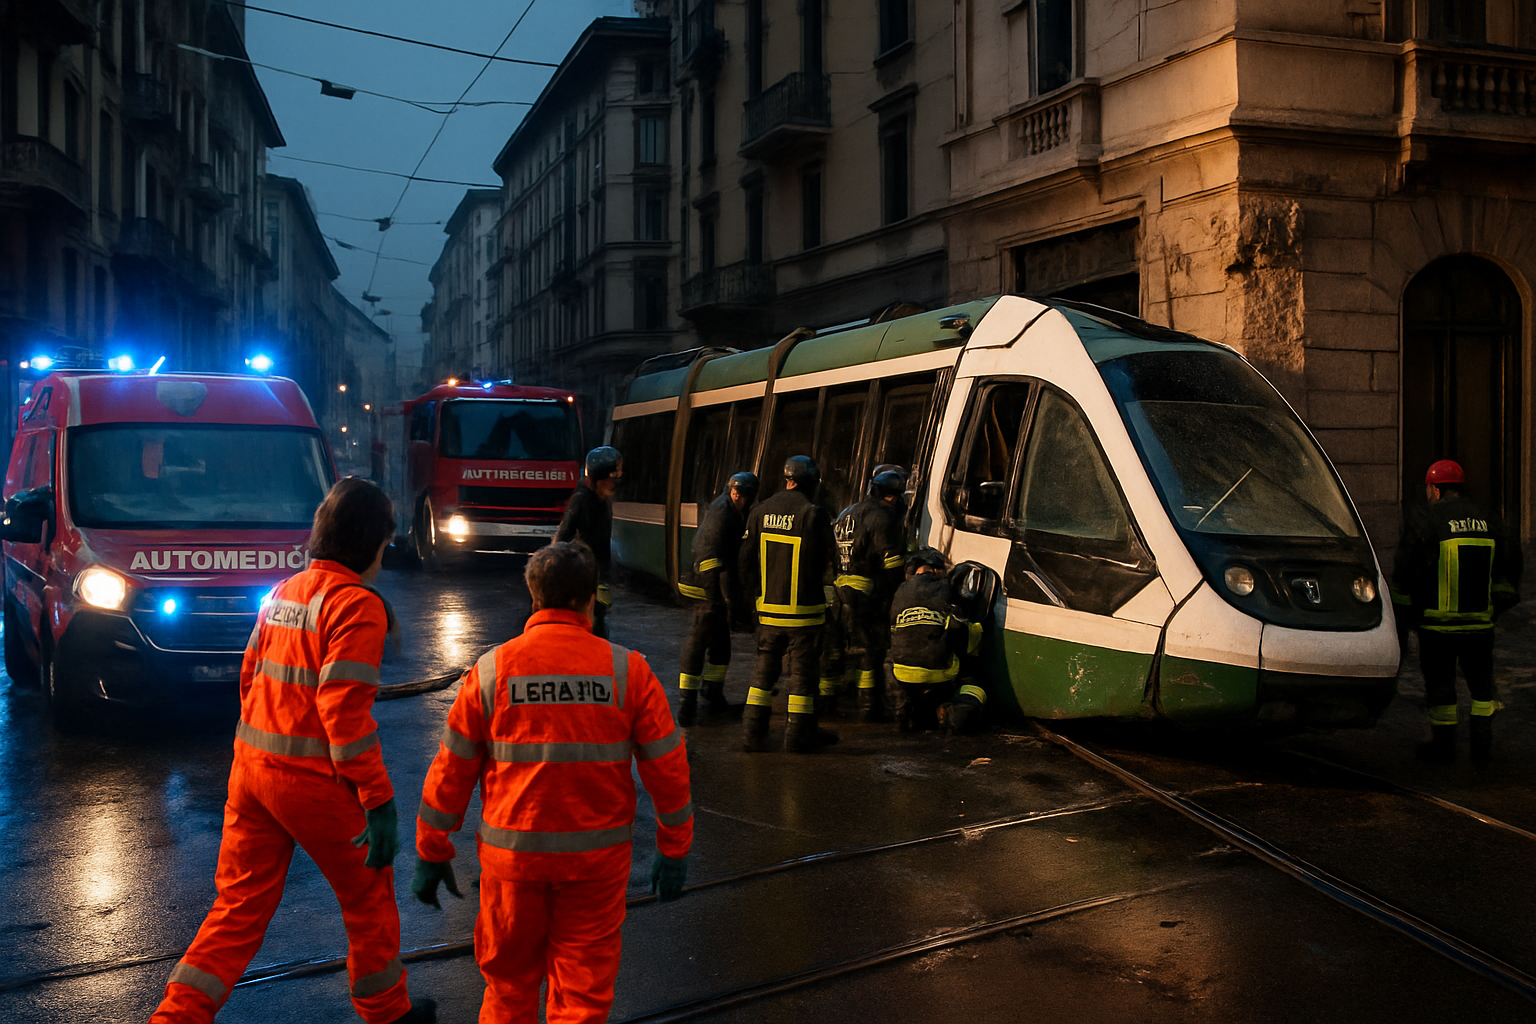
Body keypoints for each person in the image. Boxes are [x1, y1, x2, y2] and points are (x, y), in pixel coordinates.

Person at [151, 478, 435, 1024]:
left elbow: (249, 679)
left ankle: (175, 1017)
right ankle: (388, 1013)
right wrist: (378, 801)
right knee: (369, 897)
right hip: (312, 783)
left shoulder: (284, 592)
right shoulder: (356, 605)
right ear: (373, 541)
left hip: (252, 772)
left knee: (237, 909)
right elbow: (344, 717)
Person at [411, 541, 693, 1023]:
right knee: (582, 996)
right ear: (591, 598)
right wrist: (674, 847)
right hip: (594, 867)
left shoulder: (492, 670)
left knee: (509, 987)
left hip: (512, 865)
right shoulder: (629, 672)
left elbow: (451, 769)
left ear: (533, 596)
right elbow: (667, 767)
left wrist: (432, 848)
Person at [1392, 459, 1521, 762]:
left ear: (1435, 489)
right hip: (1479, 627)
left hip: (1438, 628)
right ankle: (1481, 744)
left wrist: (1406, 612)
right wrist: (1497, 606)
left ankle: (1444, 746)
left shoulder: (1429, 520)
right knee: (1481, 688)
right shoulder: (1487, 518)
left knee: (1441, 688)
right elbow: (1509, 565)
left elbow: (1407, 567)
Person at [738, 455, 838, 752]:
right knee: (802, 676)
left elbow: (745, 561)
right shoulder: (813, 513)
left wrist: (755, 599)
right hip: (804, 613)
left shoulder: (760, 510)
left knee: (764, 670)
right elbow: (828, 561)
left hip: (769, 611)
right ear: (810, 483)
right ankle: (798, 736)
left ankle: (752, 733)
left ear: (786, 479)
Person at [677, 471, 759, 725]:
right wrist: (715, 598)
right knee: (699, 640)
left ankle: (712, 694)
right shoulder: (721, 513)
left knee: (722, 643)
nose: (742, 499)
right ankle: (687, 703)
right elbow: (707, 555)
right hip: (703, 586)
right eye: (740, 495)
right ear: (733, 493)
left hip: (713, 587)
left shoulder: (734, 511)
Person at [828, 470, 908, 721]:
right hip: (865, 591)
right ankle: (868, 706)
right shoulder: (881, 516)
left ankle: (829, 702)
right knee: (869, 651)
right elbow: (892, 562)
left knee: (838, 649)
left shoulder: (847, 513)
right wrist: (894, 594)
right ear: (892, 496)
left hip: (839, 589)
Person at [888, 548, 986, 734]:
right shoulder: (947, 589)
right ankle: (955, 716)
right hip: (939, 675)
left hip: (902, 675)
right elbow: (960, 632)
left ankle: (903, 712)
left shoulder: (899, 592)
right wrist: (979, 630)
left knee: (890, 658)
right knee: (974, 683)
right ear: (937, 569)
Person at [555, 446, 623, 638]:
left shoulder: (601, 499)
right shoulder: (582, 500)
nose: (617, 480)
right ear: (600, 478)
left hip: (595, 572)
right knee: (590, 621)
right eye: (613, 476)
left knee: (599, 616)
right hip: (583, 572)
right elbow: (563, 535)